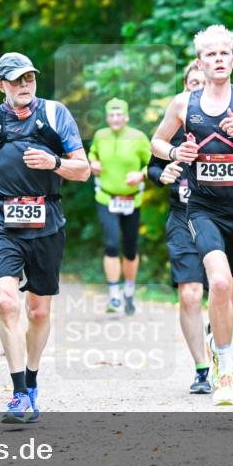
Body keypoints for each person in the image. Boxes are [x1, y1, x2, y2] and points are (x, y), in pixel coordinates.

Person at [150, 25, 233, 405]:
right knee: (220, 283)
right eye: (211, 54)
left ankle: (219, 340)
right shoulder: (183, 104)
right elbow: (157, 141)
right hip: (202, 208)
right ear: (200, 63)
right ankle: (224, 368)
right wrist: (175, 153)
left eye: (224, 53)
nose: (218, 59)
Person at [0, 52, 90, 423]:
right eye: (16, 80)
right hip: (3, 223)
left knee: (38, 311)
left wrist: (55, 163)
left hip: (47, 223)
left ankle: (31, 381)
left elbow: (83, 170)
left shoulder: (54, 114)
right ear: (0, 85)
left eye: (29, 78)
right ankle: (18, 394)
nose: (24, 85)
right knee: (6, 303)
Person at [146, 61, 211, 393]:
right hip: (183, 219)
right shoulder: (174, 125)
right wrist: (164, 174)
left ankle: (219, 339)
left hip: (223, 218)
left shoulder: (231, 120)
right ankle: (202, 369)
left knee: (225, 293)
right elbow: (153, 168)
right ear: (185, 87)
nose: (198, 88)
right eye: (192, 83)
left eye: (204, 82)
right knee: (190, 294)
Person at [88, 98, 151, 316]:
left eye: (119, 115)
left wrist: (140, 175)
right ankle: (114, 294)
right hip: (106, 198)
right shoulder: (100, 136)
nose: (115, 118)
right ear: (107, 117)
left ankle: (129, 291)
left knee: (130, 248)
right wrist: (93, 162)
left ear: (126, 117)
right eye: (111, 115)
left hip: (132, 200)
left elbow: (153, 163)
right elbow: (92, 153)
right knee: (112, 243)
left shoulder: (138, 137)